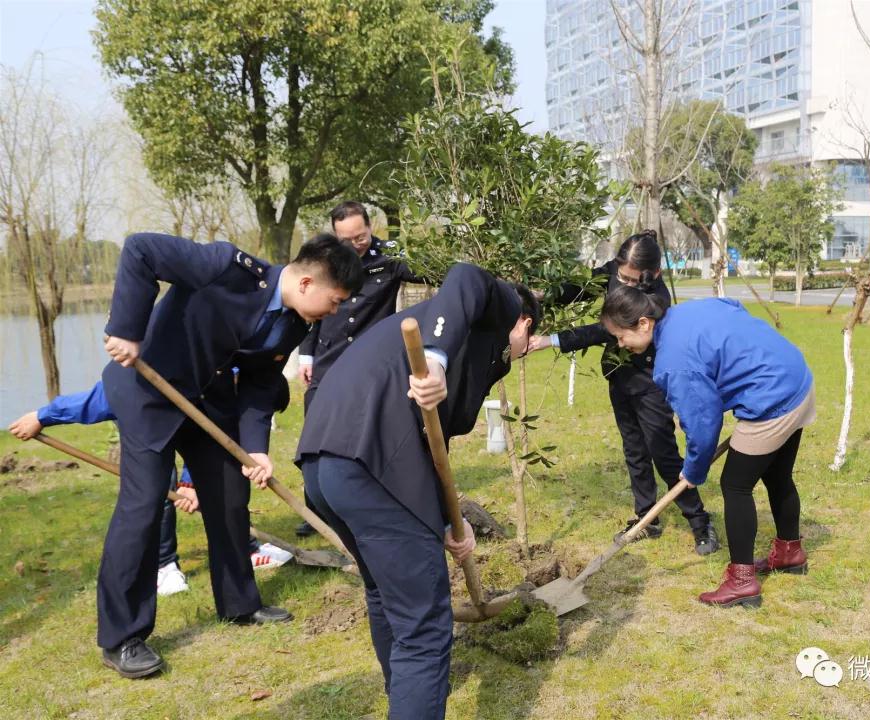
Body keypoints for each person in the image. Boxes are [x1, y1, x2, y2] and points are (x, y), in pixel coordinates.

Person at [97, 232, 364, 679]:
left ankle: (239, 604)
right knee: (143, 507)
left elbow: (261, 383)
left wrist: (255, 447)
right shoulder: (225, 267)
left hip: (205, 403)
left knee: (229, 494)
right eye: (334, 301)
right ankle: (122, 637)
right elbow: (140, 249)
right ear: (305, 284)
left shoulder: (296, 322)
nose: (334, 312)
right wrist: (127, 328)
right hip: (148, 392)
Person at [296, 262, 539, 719]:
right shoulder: (495, 310)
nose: (520, 355)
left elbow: (431, 443)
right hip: (372, 462)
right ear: (524, 324)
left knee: (386, 597)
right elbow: (467, 275)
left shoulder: (465, 344)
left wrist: (450, 518)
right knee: (425, 628)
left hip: (325, 463)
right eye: (525, 346)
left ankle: (406, 698)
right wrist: (437, 358)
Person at [599, 285, 817, 609]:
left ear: (643, 323)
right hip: (795, 377)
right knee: (776, 476)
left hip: (772, 396)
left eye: (620, 336)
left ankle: (742, 582)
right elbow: (734, 306)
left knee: (735, 486)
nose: (620, 344)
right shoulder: (686, 311)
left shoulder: (673, 362)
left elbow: (703, 422)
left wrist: (693, 471)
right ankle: (789, 553)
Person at [529, 230, 719, 556]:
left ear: (653, 274)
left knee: (664, 455)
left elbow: (605, 329)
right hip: (619, 378)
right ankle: (647, 518)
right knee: (634, 451)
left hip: (650, 384)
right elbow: (581, 288)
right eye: (622, 276)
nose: (625, 284)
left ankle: (700, 522)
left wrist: (552, 340)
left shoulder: (656, 298)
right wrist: (543, 294)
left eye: (633, 280)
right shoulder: (615, 273)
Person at [294, 200, 428, 537]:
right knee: (315, 436)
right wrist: (306, 355)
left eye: (361, 235)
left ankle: (374, 495)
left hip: (369, 365)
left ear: (370, 226)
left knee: (372, 431)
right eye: (347, 239)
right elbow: (308, 310)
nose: (356, 243)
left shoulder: (391, 259)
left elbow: (432, 271)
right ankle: (319, 512)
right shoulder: (323, 259)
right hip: (328, 358)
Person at [7, 382, 199, 596]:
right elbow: (99, 399)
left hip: (202, 405)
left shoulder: (219, 376)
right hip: (146, 414)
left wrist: (192, 482)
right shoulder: (137, 382)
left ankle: (240, 544)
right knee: (156, 483)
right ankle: (164, 566)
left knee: (219, 471)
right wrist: (43, 416)